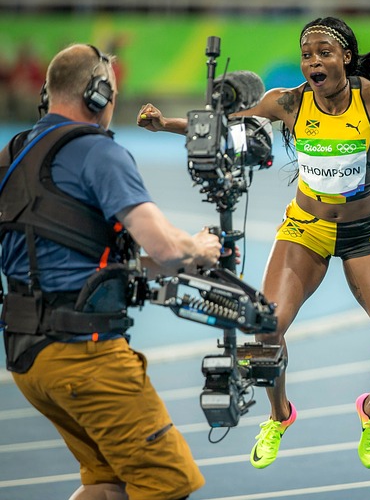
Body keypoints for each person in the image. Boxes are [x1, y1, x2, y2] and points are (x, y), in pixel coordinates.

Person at [137, 16, 370, 470]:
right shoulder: (289, 103)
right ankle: (279, 416)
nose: (313, 61)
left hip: (365, 233)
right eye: (307, 54)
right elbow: (220, 127)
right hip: (304, 229)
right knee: (264, 330)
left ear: (345, 58)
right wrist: (165, 125)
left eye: (323, 53)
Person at [0, 44, 223, 499]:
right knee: (167, 482)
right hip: (85, 356)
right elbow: (163, 244)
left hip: (28, 357)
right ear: (98, 94)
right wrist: (198, 246)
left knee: (108, 486)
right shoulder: (98, 152)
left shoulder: (15, 153)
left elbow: (70, 248)